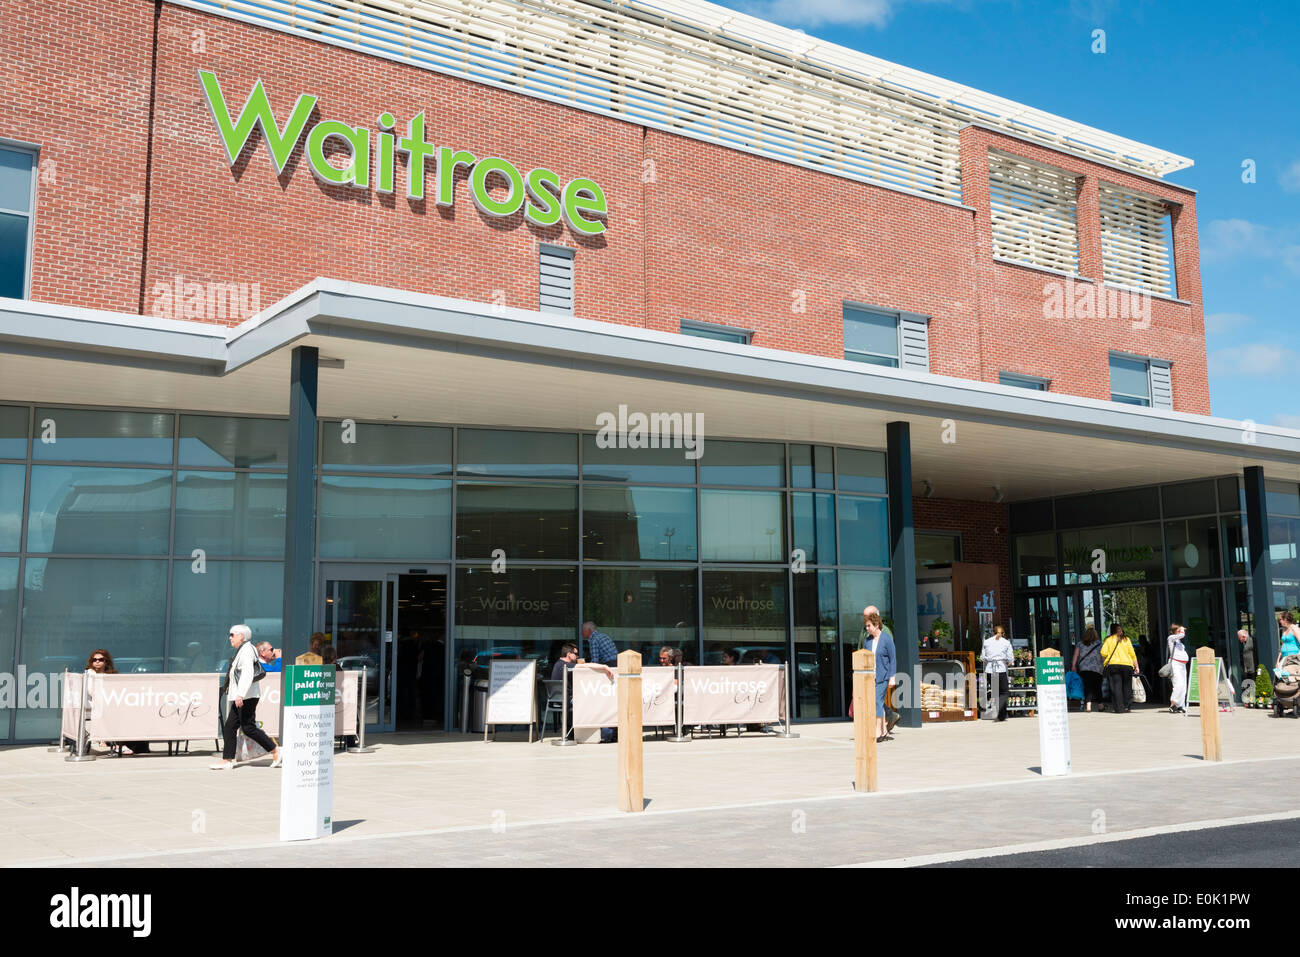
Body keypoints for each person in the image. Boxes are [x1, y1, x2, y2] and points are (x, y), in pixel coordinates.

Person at [212, 624, 281, 770]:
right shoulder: (243, 650)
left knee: (248, 727)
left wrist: (240, 694)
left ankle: (275, 750)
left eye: (232, 634)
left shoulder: (247, 651)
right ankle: (228, 759)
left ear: (241, 636)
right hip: (244, 696)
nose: (230, 637)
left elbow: (248, 673)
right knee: (231, 726)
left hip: (246, 696)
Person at [83, 650, 150, 756]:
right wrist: (94, 675)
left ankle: (133, 744)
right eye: (94, 660)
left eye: (100, 659)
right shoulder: (90, 675)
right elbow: (92, 691)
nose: (97, 662)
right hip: (98, 707)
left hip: (113, 704)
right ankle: (116, 744)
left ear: (106, 661)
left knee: (133, 715)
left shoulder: (112, 675)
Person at [862, 609, 896, 742]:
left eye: (869, 625)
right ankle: (885, 731)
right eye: (866, 626)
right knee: (879, 703)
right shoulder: (868, 641)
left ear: (876, 625)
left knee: (877, 700)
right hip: (872, 676)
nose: (867, 628)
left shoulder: (886, 639)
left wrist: (892, 677)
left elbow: (893, 659)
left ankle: (878, 731)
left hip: (883, 676)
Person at [581, 622, 618, 742]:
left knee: (604, 701)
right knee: (614, 700)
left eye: (583, 630)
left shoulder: (593, 639)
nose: (581, 633)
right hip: (617, 667)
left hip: (609, 669)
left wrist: (584, 667)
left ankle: (607, 733)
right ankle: (614, 731)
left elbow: (595, 660)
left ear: (589, 630)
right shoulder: (604, 636)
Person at [1100, 624, 1140, 714]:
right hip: (1127, 665)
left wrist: (1104, 662)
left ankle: (1119, 708)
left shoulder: (1108, 640)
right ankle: (1127, 706)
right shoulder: (1127, 639)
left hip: (1113, 665)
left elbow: (1103, 653)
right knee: (1127, 686)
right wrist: (1136, 666)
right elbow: (1132, 654)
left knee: (1116, 687)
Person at [981, 624, 1013, 721]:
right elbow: (1010, 658)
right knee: (1004, 692)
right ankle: (1000, 710)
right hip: (1001, 669)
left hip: (990, 669)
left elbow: (983, 657)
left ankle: (1001, 715)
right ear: (1003, 633)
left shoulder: (986, 642)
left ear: (992, 633)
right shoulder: (1006, 642)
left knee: (996, 692)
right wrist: (1008, 662)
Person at [1071, 627, 1103, 712]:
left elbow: (1075, 655)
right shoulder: (1099, 644)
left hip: (1084, 668)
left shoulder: (1080, 644)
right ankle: (1100, 705)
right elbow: (1103, 656)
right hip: (1097, 669)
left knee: (1087, 686)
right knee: (1097, 687)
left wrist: (1073, 665)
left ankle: (1088, 706)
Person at [1166, 622, 1190, 714]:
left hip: (1182, 665)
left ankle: (1180, 705)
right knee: (1178, 684)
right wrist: (1182, 630)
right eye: (1179, 629)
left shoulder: (1178, 641)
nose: (1181, 631)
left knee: (1183, 685)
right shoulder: (1171, 638)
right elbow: (1181, 635)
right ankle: (1173, 704)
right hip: (1175, 664)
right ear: (1175, 631)